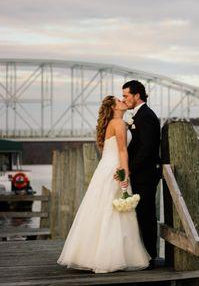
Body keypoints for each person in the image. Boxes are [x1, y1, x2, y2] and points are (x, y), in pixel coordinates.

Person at [57, 96, 150, 273]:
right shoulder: (119, 123)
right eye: (118, 100)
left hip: (105, 168)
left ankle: (92, 255)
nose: (122, 101)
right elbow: (122, 150)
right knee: (114, 210)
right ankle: (110, 257)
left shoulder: (114, 124)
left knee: (103, 209)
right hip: (115, 168)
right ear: (114, 107)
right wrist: (124, 173)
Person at [121, 80, 161, 268]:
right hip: (138, 174)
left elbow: (147, 149)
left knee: (146, 215)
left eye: (126, 95)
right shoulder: (138, 116)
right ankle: (142, 254)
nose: (124, 99)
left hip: (145, 175)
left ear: (137, 96)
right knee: (139, 214)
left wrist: (130, 169)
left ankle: (151, 256)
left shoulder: (146, 116)